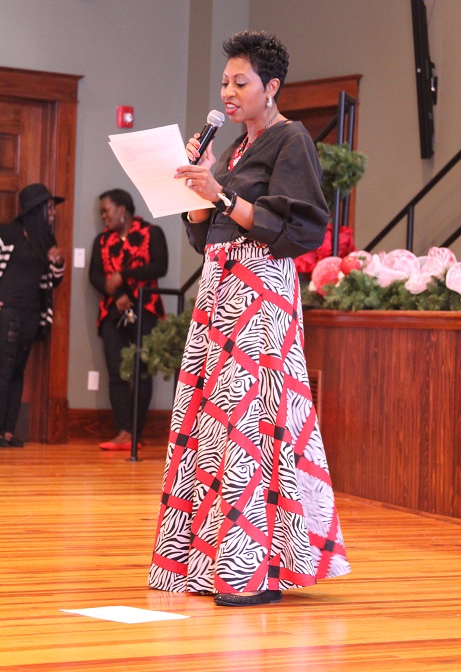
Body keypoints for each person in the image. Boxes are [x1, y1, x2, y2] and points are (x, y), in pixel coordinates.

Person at [148, 30, 351, 606]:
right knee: (211, 424)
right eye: (223, 82)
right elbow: (205, 232)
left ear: (272, 87)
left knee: (249, 423)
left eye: (240, 82)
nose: (228, 92)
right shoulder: (235, 150)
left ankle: (248, 571)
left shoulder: (292, 140)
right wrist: (200, 184)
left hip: (259, 291)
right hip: (219, 288)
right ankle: (206, 562)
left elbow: (304, 229)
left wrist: (220, 195)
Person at [89, 189, 168, 451]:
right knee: (116, 372)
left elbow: (160, 266)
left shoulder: (151, 233)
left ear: (122, 210)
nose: (103, 216)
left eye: (106, 210)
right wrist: (118, 293)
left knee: (142, 373)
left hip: (145, 309)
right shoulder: (102, 241)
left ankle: (135, 434)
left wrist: (123, 275)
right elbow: (96, 276)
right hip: (112, 312)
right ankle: (122, 433)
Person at [0, 183, 66, 448]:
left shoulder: (46, 242)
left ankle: (6, 431)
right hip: (8, 313)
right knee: (3, 371)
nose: (53, 213)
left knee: (17, 372)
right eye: (50, 208)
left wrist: (58, 263)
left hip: (31, 315)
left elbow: (53, 282)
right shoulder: (8, 234)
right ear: (37, 210)